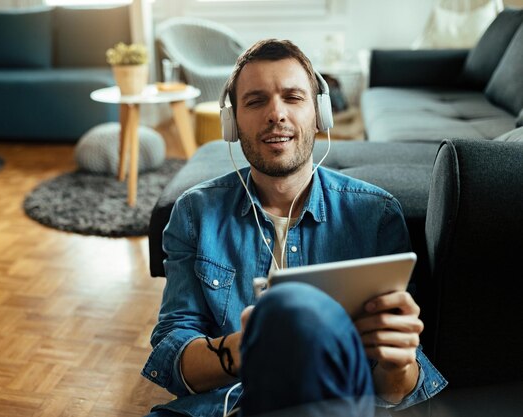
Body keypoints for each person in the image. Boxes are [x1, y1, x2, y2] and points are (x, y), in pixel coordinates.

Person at [142, 39, 447, 417]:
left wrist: (398, 363)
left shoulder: (376, 214)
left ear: (320, 114)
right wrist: (248, 348)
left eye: (293, 97)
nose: (276, 114)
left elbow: (395, 390)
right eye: (255, 101)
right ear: (232, 122)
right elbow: (173, 355)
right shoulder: (194, 213)